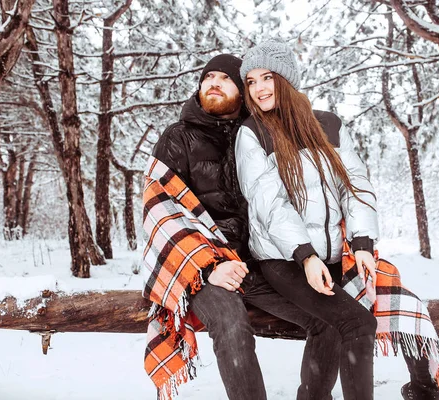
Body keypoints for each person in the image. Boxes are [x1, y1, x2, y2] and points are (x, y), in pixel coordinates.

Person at [235, 40, 439, 400]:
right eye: (251, 81)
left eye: (267, 77)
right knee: (358, 323)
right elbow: (269, 203)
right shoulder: (252, 133)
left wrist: (363, 243)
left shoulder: (329, 125)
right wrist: (306, 255)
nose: (258, 89)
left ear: (286, 79)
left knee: (355, 319)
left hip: (336, 256)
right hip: (283, 259)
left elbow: (356, 185)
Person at [143, 54, 343, 400]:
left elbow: (290, 198)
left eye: (226, 78)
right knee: (233, 326)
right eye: (208, 77)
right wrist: (208, 267)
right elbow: (160, 209)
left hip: (258, 265)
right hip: (202, 266)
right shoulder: (178, 137)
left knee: (331, 316)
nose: (214, 83)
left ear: (243, 92)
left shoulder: (259, 135)